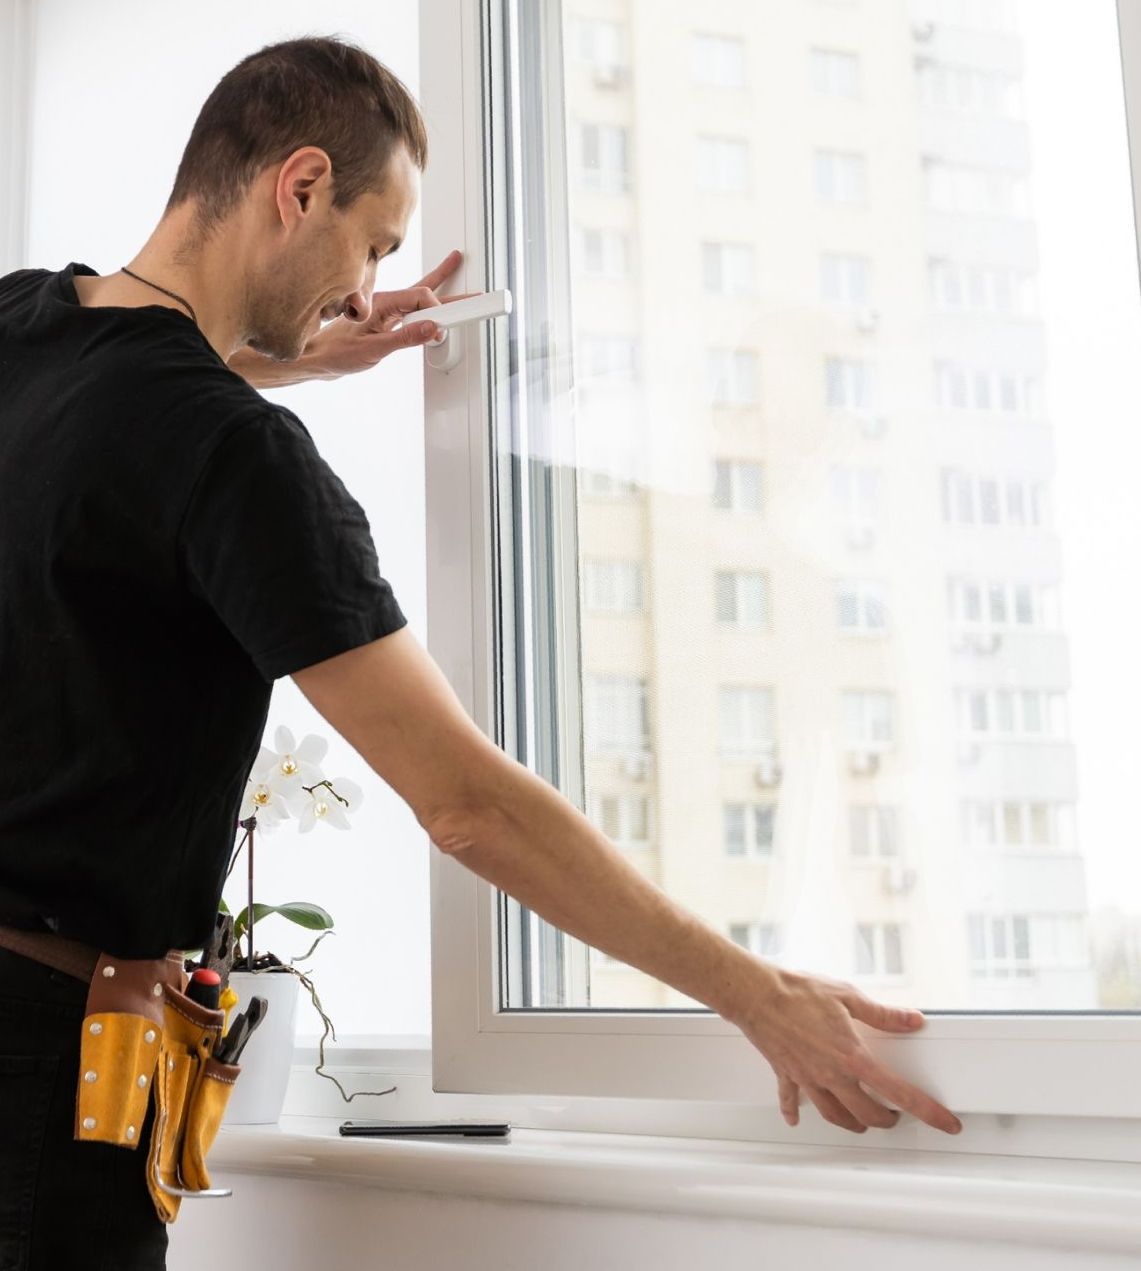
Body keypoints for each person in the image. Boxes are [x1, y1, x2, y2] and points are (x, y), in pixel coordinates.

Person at [0, 33, 961, 1271]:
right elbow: (463, 806)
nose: (364, 287)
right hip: (40, 1073)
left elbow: (107, 413)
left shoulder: (23, 319)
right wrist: (753, 992)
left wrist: (289, 352)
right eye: (374, 242)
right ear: (300, 187)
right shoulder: (235, 456)